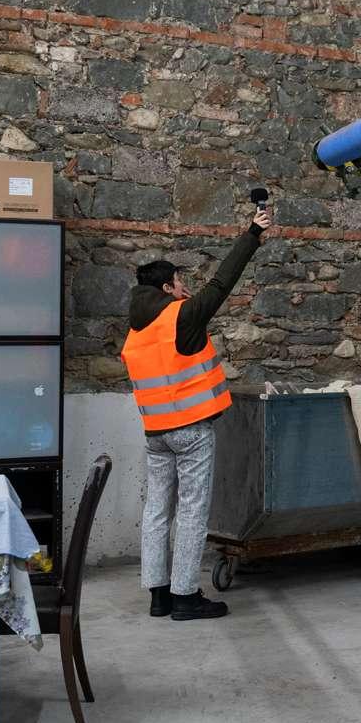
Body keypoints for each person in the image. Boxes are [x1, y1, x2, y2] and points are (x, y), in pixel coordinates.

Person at [121, 203, 272, 621]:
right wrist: (252, 234)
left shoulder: (136, 330)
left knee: (157, 510)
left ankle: (158, 594)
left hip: (156, 434)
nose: (185, 286)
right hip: (190, 432)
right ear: (167, 287)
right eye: (180, 281)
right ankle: (186, 596)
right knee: (191, 511)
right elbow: (222, 282)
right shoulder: (181, 316)